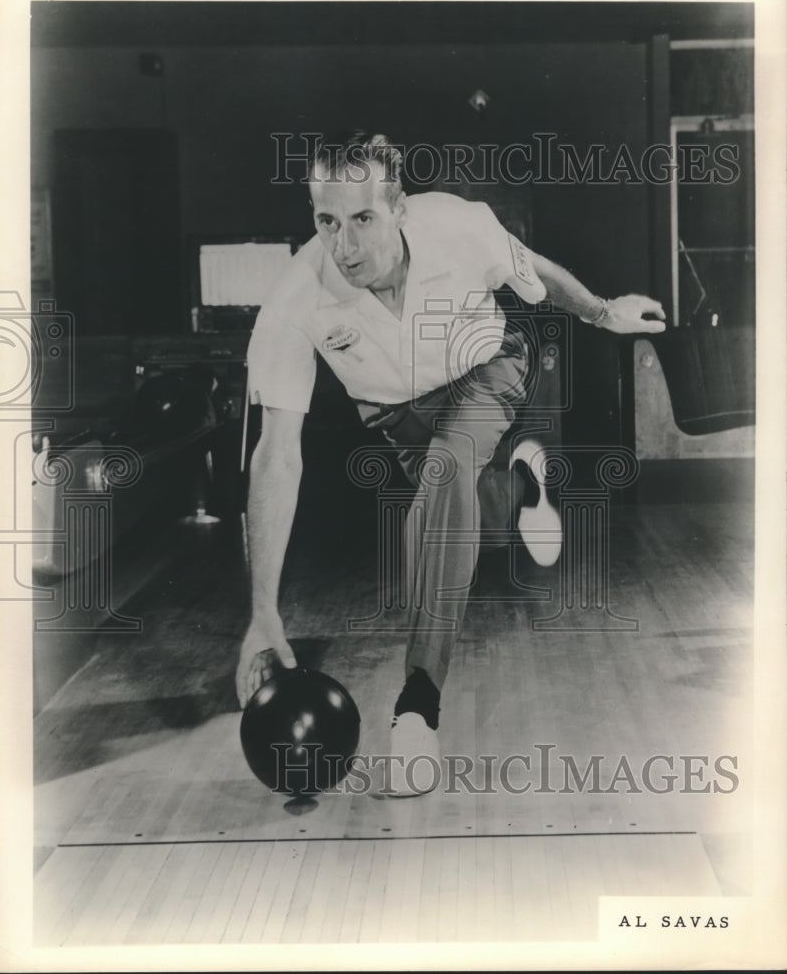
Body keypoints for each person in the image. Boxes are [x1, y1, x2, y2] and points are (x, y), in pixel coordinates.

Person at [235, 130, 665, 795]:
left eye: (363, 220)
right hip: (396, 418)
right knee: (450, 514)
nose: (344, 246)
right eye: (326, 222)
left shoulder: (459, 226)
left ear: (399, 207)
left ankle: (418, 707)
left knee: (446, 474)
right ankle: (521, 487)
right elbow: (275, 456)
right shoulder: (294, 300)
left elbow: (536, 273)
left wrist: (605, 312)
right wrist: (263, 610)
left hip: (487, 371)